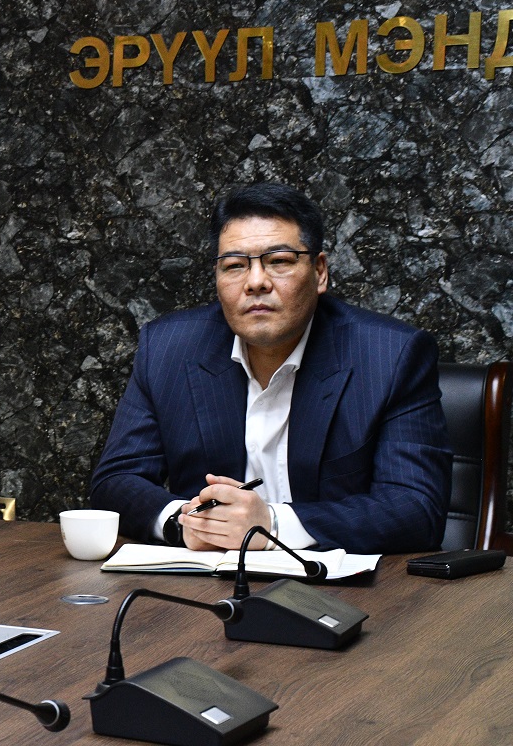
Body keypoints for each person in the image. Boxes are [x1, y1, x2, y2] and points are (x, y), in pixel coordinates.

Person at [89, 183, 451, 554]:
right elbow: (115, 481)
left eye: (279, 261)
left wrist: (271, 525)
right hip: (205, 579)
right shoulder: (168, 348)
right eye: (234, 266)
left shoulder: (390, 356)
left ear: (319, 272)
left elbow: (417, 508)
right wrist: (184, 524)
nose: (256, 282)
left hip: (332, 580)